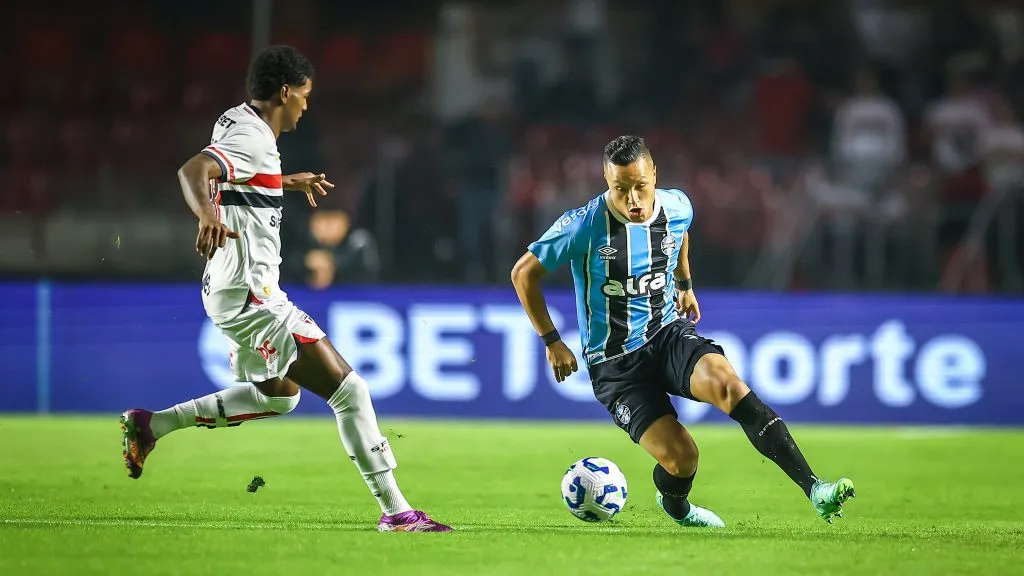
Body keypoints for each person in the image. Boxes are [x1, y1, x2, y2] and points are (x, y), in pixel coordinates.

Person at [119, 45, 451, 533]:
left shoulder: (236, 120)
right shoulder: (253, 137)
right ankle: (397, 513)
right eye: (304, 95)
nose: (306, 105)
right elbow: (193, 171)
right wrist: (207, 215)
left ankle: (153, 424)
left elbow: (235, 178)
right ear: (284, 91)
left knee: (279, 397)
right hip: (252, 294)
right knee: (350, 391)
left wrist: (283, 182)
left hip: (230, 289)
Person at [510, 135, 854, 527]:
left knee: (731, 388)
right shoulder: (584, 225)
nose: (633, 200)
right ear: (607, 182)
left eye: (641, 186)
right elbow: (523, 273)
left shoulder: (677, 206)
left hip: (667, 333)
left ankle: (816, 489)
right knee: (683, 458)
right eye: (621, 189)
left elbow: (681, 234)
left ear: (655, 174)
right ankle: (677, 507)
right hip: (616, 365)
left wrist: (685, 284)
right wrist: (552, 341)